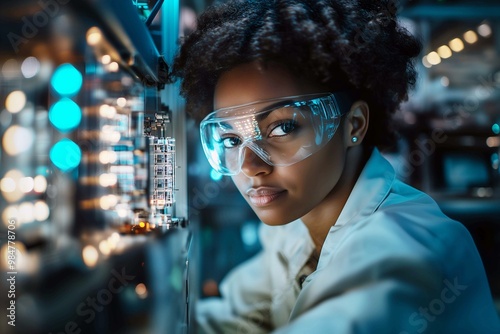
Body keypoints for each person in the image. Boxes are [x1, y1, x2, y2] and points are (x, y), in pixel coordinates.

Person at [172, 0, 500, 332]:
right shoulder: (297, 230)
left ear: (354, 125)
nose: (250, 165)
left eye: (283, 127)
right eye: (230, 139)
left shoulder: (401, 253)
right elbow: (234, 318)